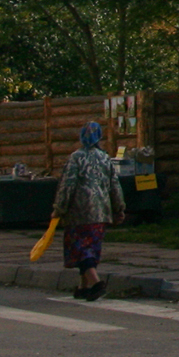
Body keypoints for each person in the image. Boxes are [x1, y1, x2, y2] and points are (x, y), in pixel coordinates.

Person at [51, 120, 125, 300]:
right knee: (92, 248)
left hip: (79, 212)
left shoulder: (76, 158)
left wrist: (59, 209)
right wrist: (119, 208)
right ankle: (83, 287)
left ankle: (97, 283)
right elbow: (114, 185)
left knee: (80, 249)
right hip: (101, 211)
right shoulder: (105, 157)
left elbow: (67, 185)